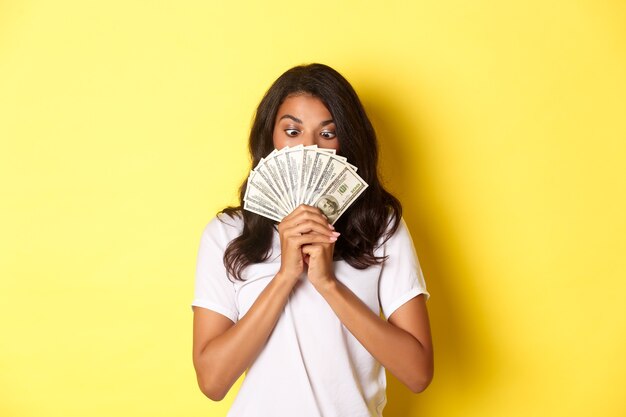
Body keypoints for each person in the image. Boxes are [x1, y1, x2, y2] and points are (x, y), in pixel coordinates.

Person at [191, 63, 433, 417]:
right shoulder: (228, 233)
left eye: (327, 133)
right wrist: (285, 275)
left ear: (347, 142)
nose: (307, 148)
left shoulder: (380, 227)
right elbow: (212, 382)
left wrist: (327, 283)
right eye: (292, 131)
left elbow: (418, 373)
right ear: (269, 139)